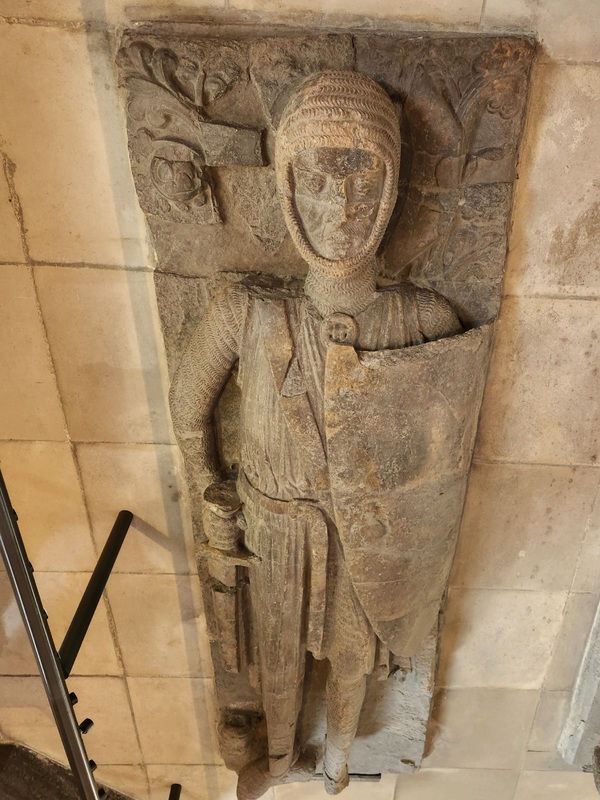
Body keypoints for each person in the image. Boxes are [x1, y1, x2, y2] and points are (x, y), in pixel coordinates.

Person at [170, 70, 463, 798]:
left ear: (391, 192)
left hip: (364, 531)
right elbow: (188, 404)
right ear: (289, 191)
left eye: (364, 184)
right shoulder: (247, 311)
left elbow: (444, 454)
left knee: (353, 655)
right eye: (320, 183)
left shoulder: (420, 321)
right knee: (277, 657)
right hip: (277, 527)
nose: (342, 208)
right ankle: (273, 758)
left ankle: (337, 757)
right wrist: (211, 488)